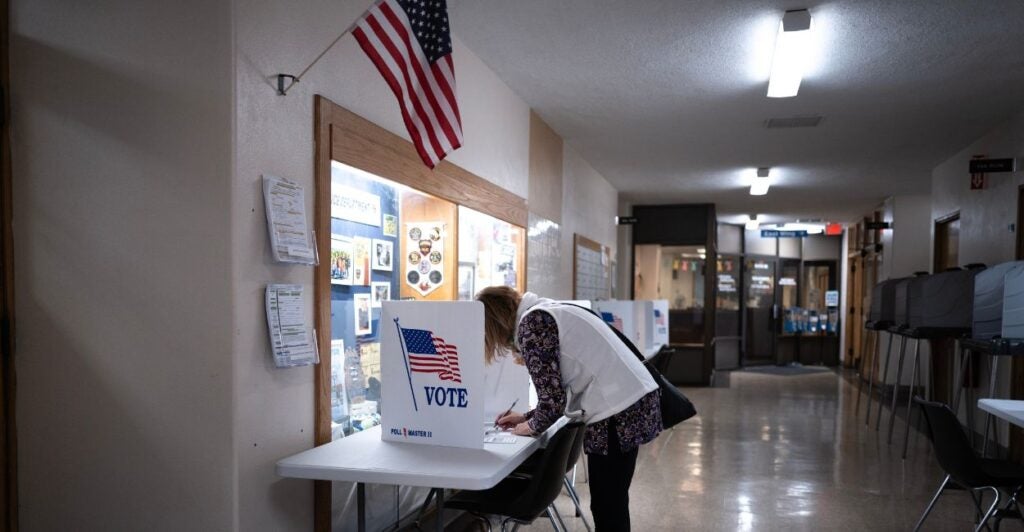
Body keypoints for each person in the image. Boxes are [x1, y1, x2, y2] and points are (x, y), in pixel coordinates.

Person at [477, 286, 661, 531]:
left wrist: (528, 427)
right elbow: (554, 397)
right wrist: (525, 416)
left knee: (608, 504)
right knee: (613, 499)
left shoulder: (533, 325)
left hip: (617, 410)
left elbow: (553, 404)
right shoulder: (545, 311)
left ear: (494, 323)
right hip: (630, 401)